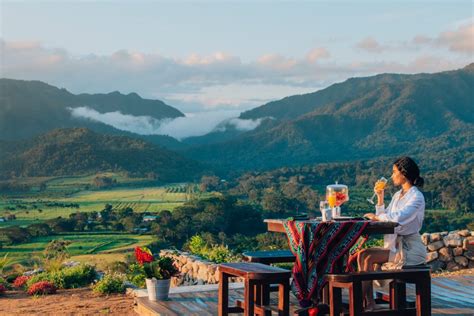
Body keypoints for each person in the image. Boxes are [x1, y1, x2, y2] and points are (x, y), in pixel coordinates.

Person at [358, 156, 427, 310]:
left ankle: (359, 305)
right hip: (396, 247)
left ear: (403, 173)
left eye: (394, 172)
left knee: (368, 256)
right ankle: (368, 303)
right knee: (362, 254)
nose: (392, 175)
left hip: (410, 250)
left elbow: (397, 218)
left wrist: (375, 217)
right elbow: (386, 215)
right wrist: (380, 198)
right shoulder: (397, 195)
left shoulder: (416, 197)